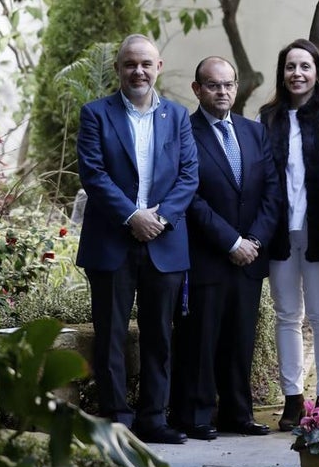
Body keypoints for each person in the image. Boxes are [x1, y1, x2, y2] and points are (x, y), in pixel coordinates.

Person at [76, 34, 198, 444]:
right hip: (112, 242)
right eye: (130, 64)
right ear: (118, 69)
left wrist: (158, 219)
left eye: (146, 63)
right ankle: (117, 419)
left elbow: (188, 177)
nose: (138, 71)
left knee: (159, 335)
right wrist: (132, 216)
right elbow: (93, 173)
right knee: (110, 333)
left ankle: (153, 418)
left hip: (163, 242)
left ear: (158, 67)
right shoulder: (95, 114)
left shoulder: (178, 117)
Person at [170, 57, 281, 439]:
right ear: (197, 89)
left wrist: (253, 241)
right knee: (200, 340)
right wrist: (230, 241)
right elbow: (189, 195)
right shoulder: (184, 131)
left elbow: (271, 190)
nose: (223, 92)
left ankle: (238, 413)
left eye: (228, 84)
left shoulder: (254, 132)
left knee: (240, 339)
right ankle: (197, 416)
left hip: (249, 256)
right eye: (214, 85)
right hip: (208, 255)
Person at [258, 39, 319, 432]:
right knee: (287, 315)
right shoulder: (269, 117)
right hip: (279, 229)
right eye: (290, 66)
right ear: (282, 73)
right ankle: (293, 398)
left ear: (317, 72)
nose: (297, 74)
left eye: (305, 67)